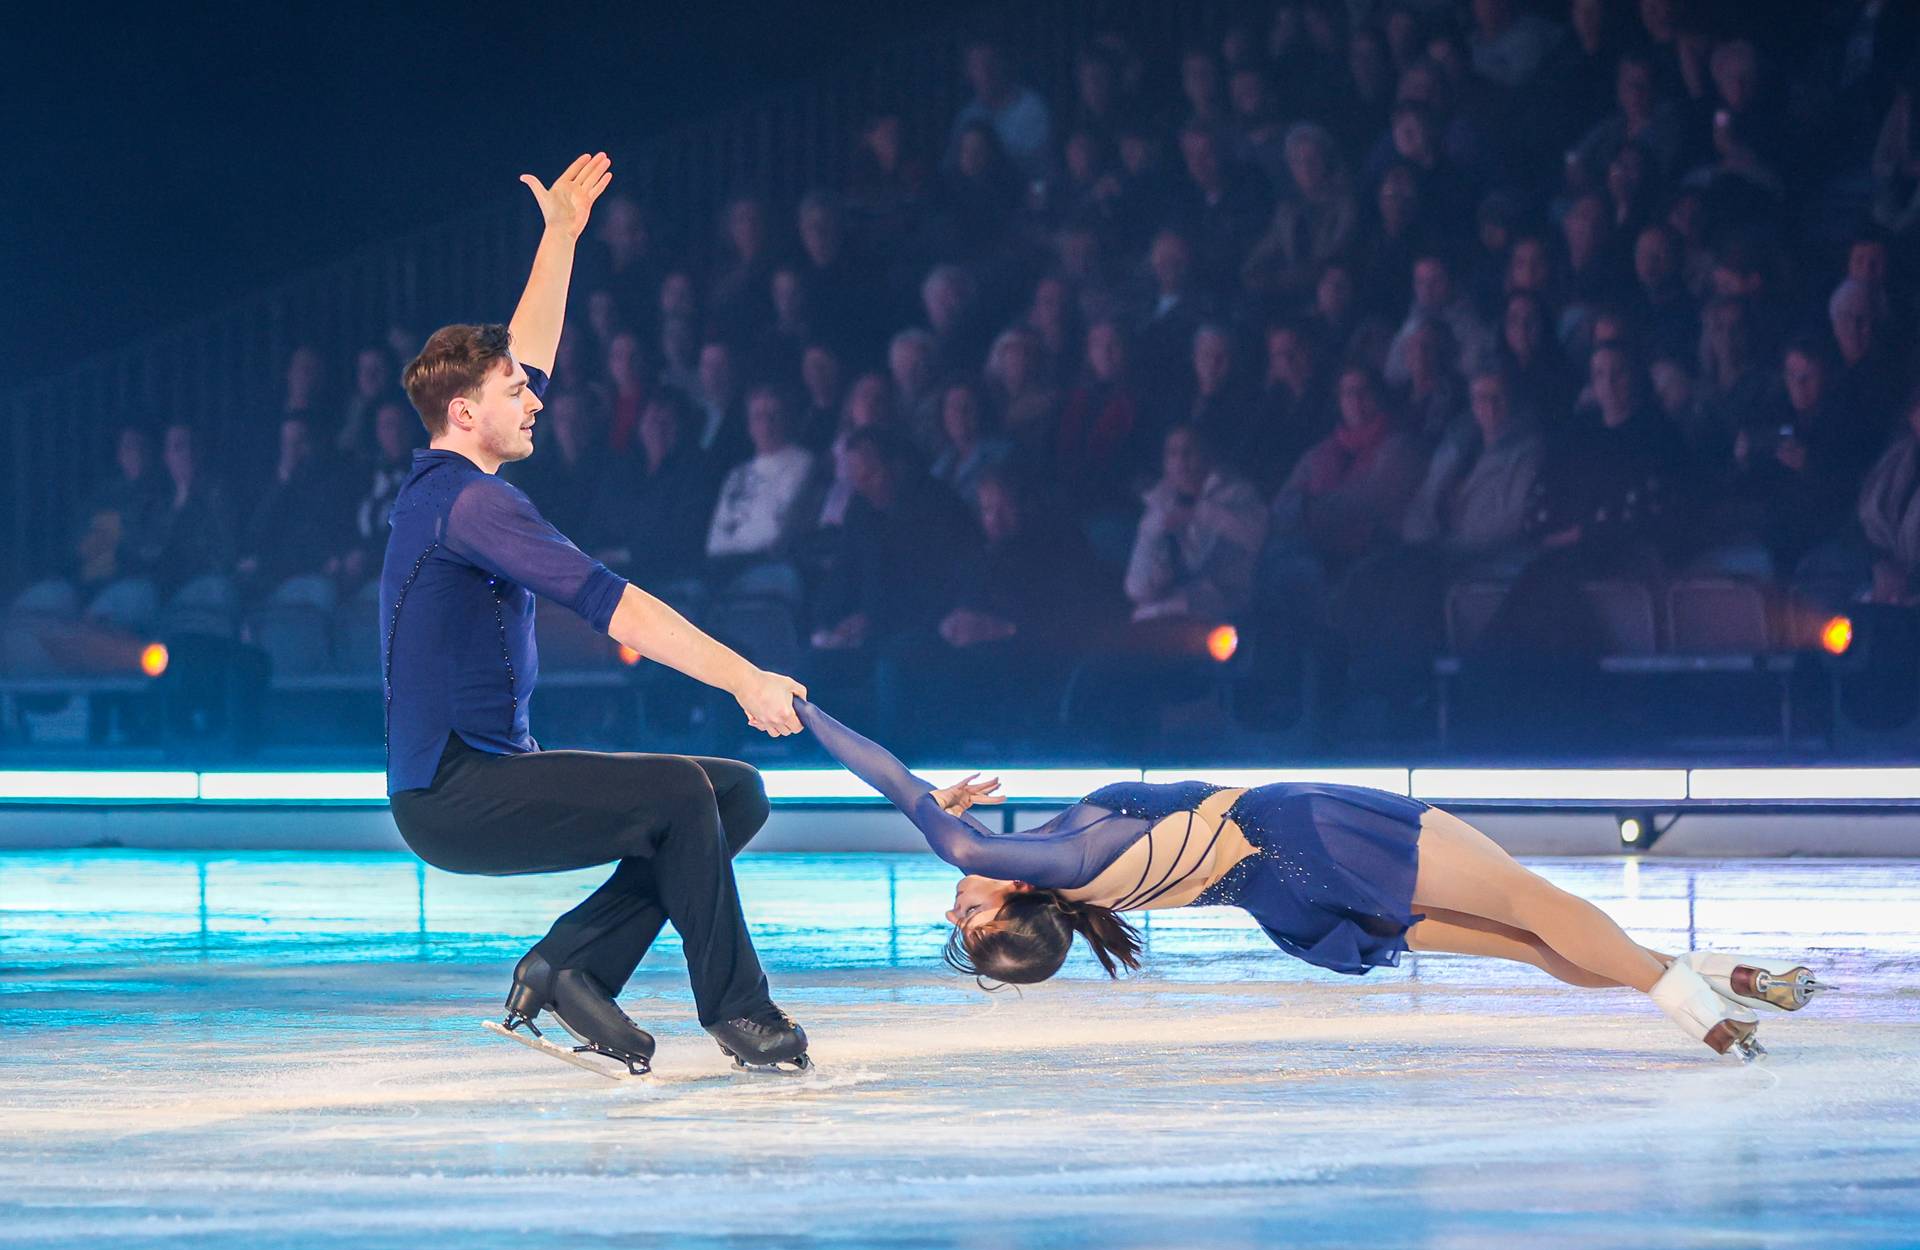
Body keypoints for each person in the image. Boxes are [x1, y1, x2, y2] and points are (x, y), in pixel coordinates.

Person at [380, 153, 811, 1078]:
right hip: (452, 793)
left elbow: (526, 348)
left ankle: (570, 965)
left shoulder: (457, 479)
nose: (537, 396)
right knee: (678, 795)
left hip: (490, 775)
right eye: (515, 393)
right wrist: (745, 677)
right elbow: (618, 607)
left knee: (733, 790)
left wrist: (561, 238)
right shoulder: (472, 504)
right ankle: (740, 1012)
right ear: (464, 412)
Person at [795, 698, 1824, 1063]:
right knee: (1536, 906)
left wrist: (955, 808)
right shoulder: (1045, 862)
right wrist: (800, 707)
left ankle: (1717, 973)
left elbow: (953, 822)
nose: (956, 895)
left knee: (1528, 946)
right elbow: (905, 794)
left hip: (1286, 902)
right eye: (969, 906)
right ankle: (1701, 1010)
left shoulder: (1075, 880)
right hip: (1304, 830)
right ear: (1011, 897)